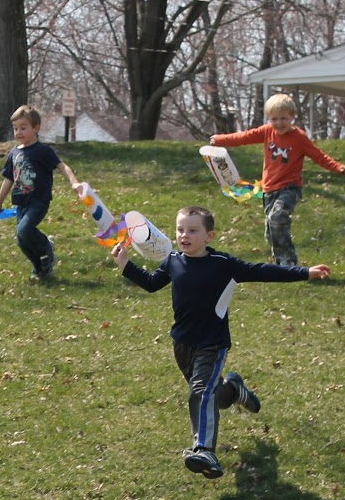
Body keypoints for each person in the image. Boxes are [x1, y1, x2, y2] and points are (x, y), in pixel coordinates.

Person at [114, 204, 330, 480]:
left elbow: (261, 271)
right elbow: (151, 283)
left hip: (212, 344)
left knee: (200, 392)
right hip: (182, 344)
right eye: (180, 230)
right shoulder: (173, 261)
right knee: (213, 396)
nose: (184, 235)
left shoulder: (223, 265)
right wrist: (126, 265)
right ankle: (234, 389)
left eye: (193, 230)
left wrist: (304, 272)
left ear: (209, 236)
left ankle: (204, 450)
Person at [209, 93, 345, 267]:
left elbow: (318, 155)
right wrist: (219, 140)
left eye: (284, 118)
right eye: (274, 119)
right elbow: (244, 137)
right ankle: (280, 262)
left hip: (290, 188)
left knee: (278, 217)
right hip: (269, 189)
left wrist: (338, 167)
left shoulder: (299, 137)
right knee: (272, 230)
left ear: (292, 117)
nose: (279, 123)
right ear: (269, 119)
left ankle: (289, 261)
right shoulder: (267, 131)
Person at [0, 105, 80, 281]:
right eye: (16, 128)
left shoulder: (43, 151)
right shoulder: (14, 153)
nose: (18, 132)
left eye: (23, 128)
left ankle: (47, 247)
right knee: (21, 240)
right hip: (21, 203)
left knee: (25, 230)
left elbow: (62, 166)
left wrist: (74, 182)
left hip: (38, 201)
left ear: (36, 128)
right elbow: (8, 179)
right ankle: (40, 269)